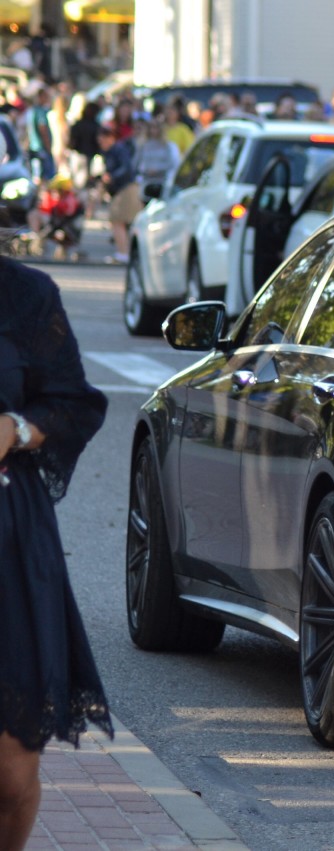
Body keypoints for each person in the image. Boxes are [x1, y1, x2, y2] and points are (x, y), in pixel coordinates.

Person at [0, 255, 112, 850]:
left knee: (13, 776)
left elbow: (74, 402)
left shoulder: (26, 294)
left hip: (10, 546)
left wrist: (16, 429)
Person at [98, 123, 138, 263]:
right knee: (119, 221)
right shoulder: (109, 152)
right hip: (120, 189)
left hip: (126, 188)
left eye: (103, 139)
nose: (101, 143)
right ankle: (124, 251)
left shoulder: (119, 149)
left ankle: (123, 252)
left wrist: (112, 176)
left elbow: (126, 168)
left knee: (117, 219)